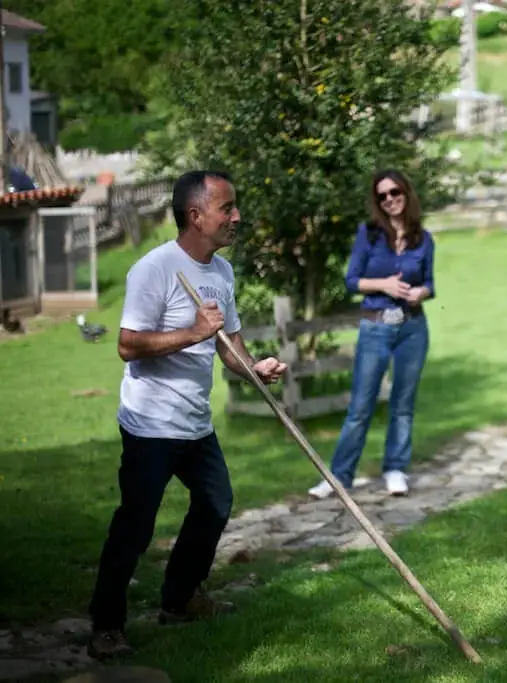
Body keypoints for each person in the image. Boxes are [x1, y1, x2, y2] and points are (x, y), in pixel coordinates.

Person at [87, 170, 289, 659]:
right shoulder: (154, 269)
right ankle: (106, 626)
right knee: (136, 526)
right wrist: (191, 333)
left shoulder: (221, 273)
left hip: (195, 424)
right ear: (196, 215)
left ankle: (179, 599)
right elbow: (127, 345)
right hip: (150, 425)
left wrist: (254, 369)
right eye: (227, 208)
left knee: (215, 504)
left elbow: (230, 347)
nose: (236, 216)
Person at [308, 169, 435, 500]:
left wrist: (420, 292)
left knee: (403, 404)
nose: (390, 199)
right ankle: (339, 476)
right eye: (382, 196)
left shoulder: (423, 238)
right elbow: (352, 281)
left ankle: (395, 469)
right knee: (361, 406)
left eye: (395, 192)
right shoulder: (369, 234)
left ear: (406, 193)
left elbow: (430, 283)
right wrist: (385, 285)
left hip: (412, 328)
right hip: (375, 326)